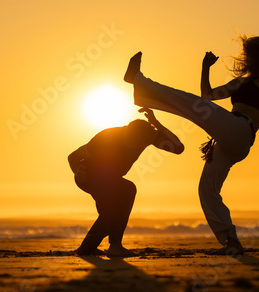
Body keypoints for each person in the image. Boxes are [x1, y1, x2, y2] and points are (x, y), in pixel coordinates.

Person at [124, 35, 259, 255]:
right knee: (207, 189)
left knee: (194, 105)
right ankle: (232, 241)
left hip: (240, 130)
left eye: (248, 54)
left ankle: (139, 82)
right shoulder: (241, 82)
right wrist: (205, 67)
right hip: (230, 139)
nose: (245, 57)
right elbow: (208, 95)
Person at [68, 107, 184, 257]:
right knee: (127, 189)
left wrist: (157, 124)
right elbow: (73, 156)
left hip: (112, 180)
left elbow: (178, 148)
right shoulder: (107, 136)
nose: (133, 145)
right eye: (131, 139)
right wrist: (78, 171)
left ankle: (87, 249)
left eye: (138, 142)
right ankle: (114, 246)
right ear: (126, 130)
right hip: (89, 177)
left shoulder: (149, 136)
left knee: (109, 215)